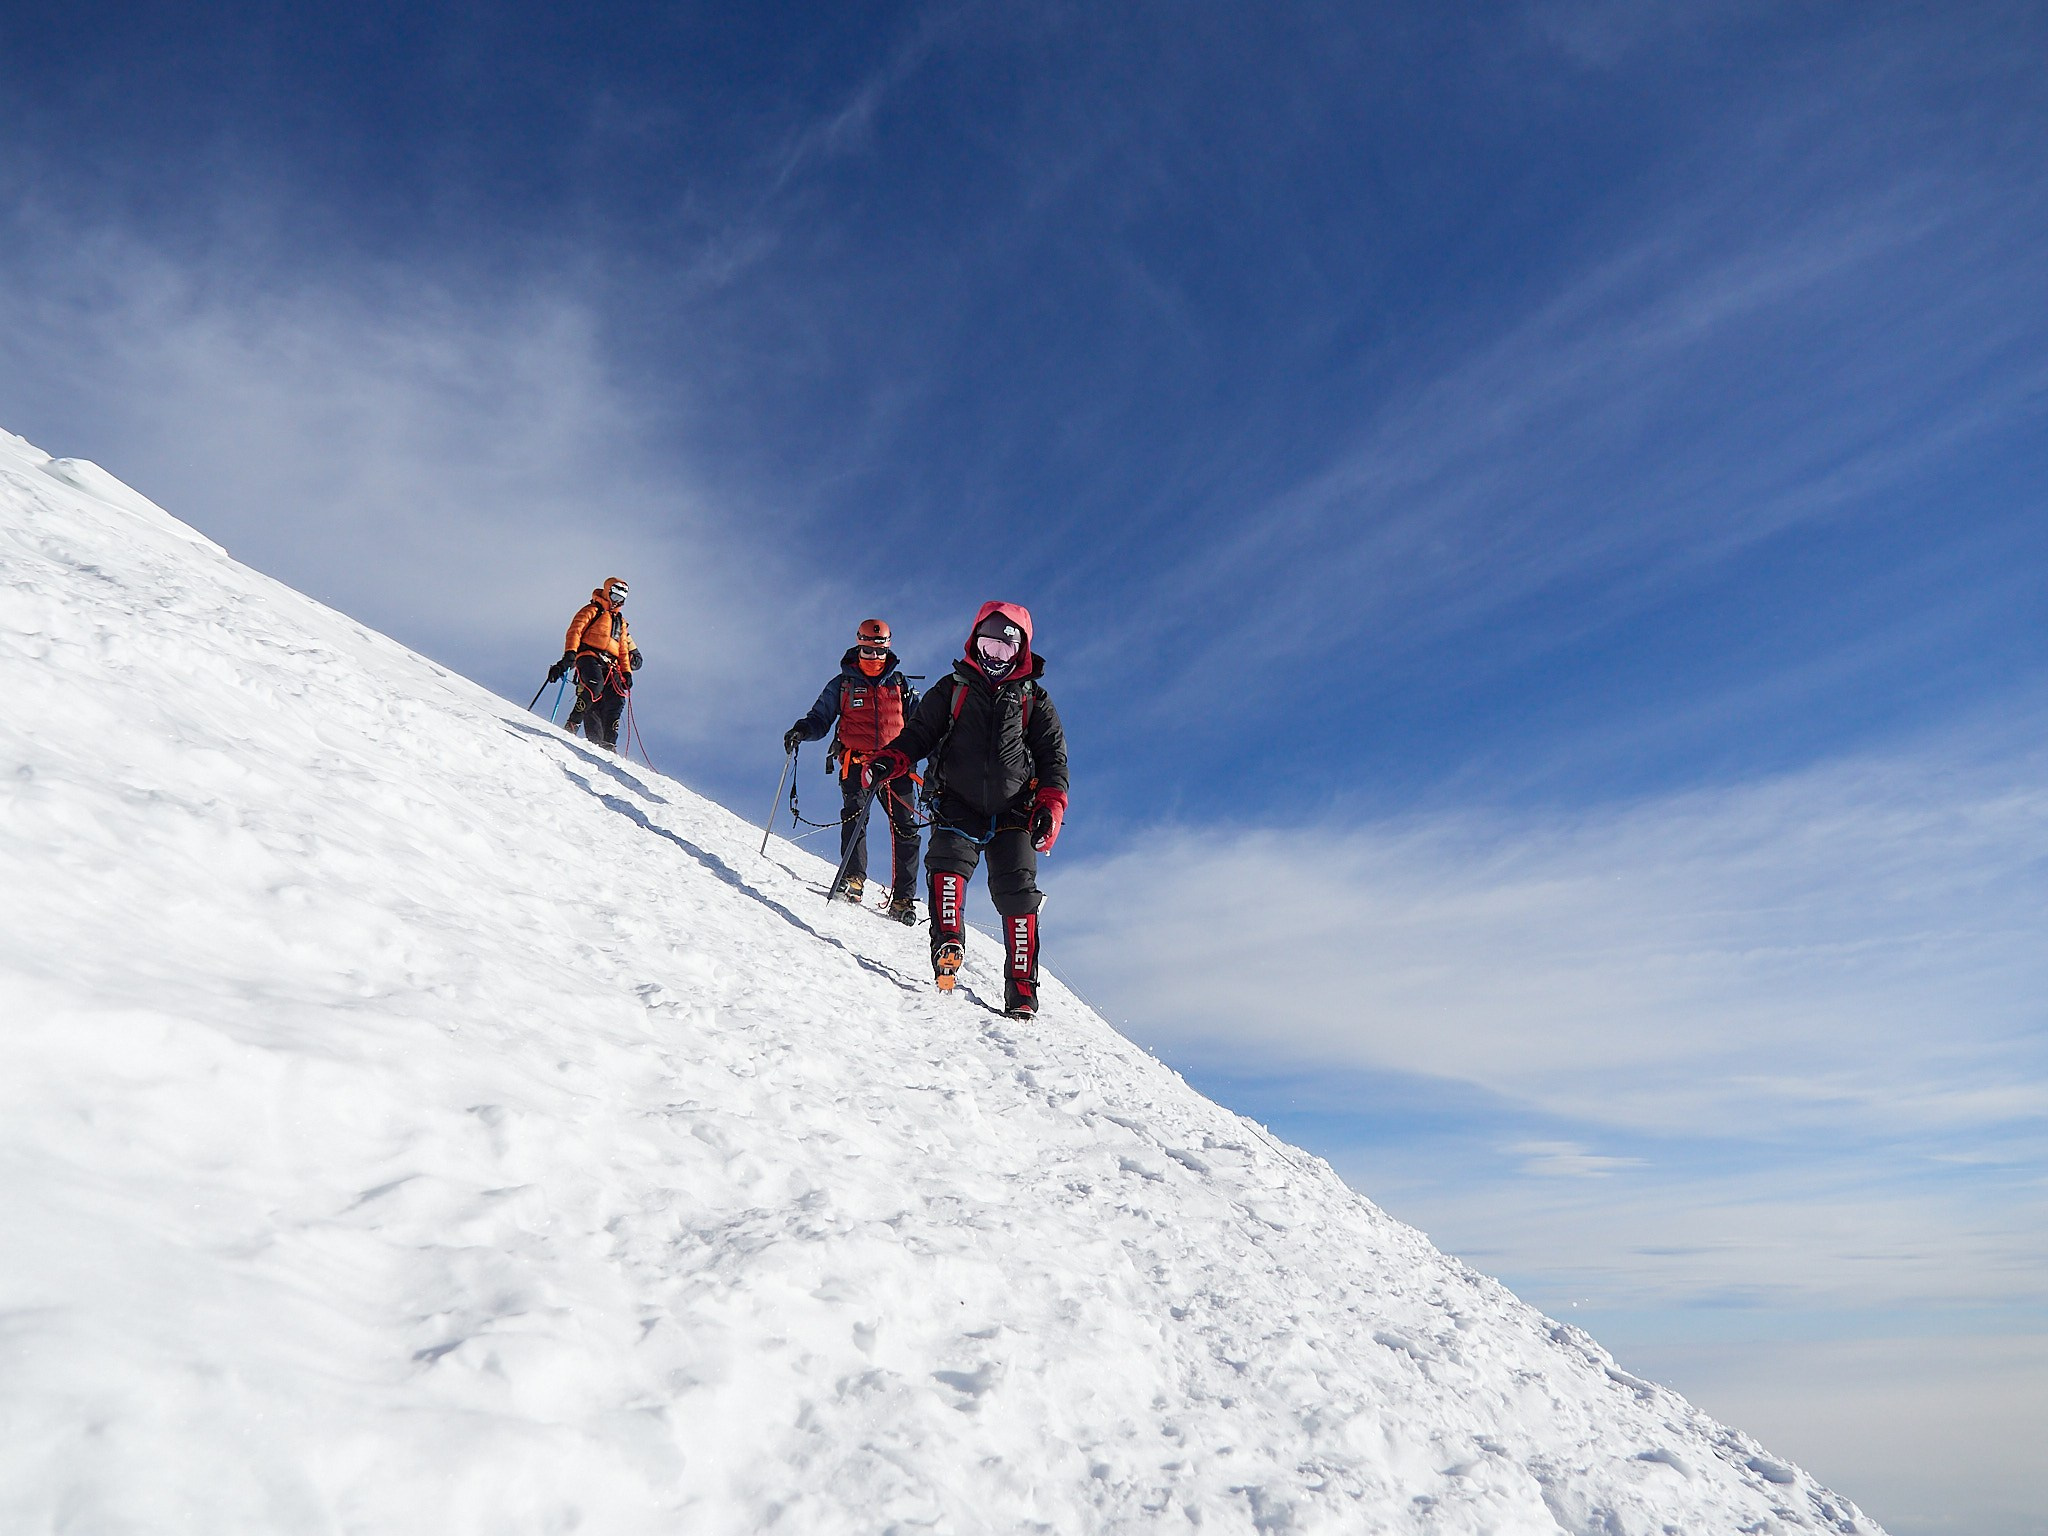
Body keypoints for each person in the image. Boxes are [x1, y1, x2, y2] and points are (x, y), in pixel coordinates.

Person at [863, 602, 1068, 1018]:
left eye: (1006, 649)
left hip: (1016, 811)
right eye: (989, 645)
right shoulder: (952, 689)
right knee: (947, 865)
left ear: (1021, 653)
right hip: (956, 800)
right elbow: (918, 735)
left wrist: (1050, 805)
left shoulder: (1034, 700)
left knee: (1018, 894)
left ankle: (1022, 993)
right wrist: (891, 759)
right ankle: (948, 943)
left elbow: (1053, 759)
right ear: (975, 642)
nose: (995, 656)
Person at [783, 619, 923, 922]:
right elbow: (820, 718)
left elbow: (924, 726)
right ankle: (854, 879)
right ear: (859, 647)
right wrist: (802, 730)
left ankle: (903, 899)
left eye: (879, 651)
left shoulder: (901, 685)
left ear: (888, 649)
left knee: (905, 827)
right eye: (868, 651)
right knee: (854, 817)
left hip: (897, 766)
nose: (874, 657)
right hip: (857, 762)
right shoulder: (842, 684)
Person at [550, 577, 641, 752]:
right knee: (594, 685)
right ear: (607, 592)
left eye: (621, 599)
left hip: (611, 664)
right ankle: (573, 723)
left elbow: (623, 649)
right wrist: (570, 653)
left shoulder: (620, 621)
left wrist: (626, 672)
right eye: (614, 596)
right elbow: (575, 631)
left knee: (617, 698)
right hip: (589, 655)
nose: (617, 602)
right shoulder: (593, 610)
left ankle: (609, 742)